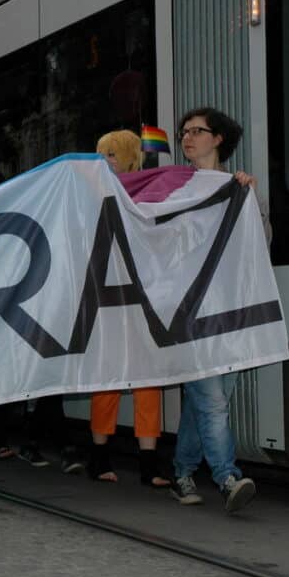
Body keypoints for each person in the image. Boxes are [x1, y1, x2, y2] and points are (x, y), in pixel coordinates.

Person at [169, 107, 265, 512]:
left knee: (204, 399)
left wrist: (250, 201)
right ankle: (227, 478)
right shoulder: (175, 188)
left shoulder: (236, 185)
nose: (188, 138)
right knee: (213, 401)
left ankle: (181, 472)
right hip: (189, 312)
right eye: (185, 133)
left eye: (197, 131)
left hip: (229, 311)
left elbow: (263, 242)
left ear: (218, 138)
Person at [87, 131, 170, 488]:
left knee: (148, 382)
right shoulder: (90, 196)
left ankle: (149, 465)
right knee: (107, 380)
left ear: (129, 158)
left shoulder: (146, 192)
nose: (105, 161)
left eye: (112, 155)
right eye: (102, 154)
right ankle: (99, 458)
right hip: (108, 302)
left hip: (141, 299)